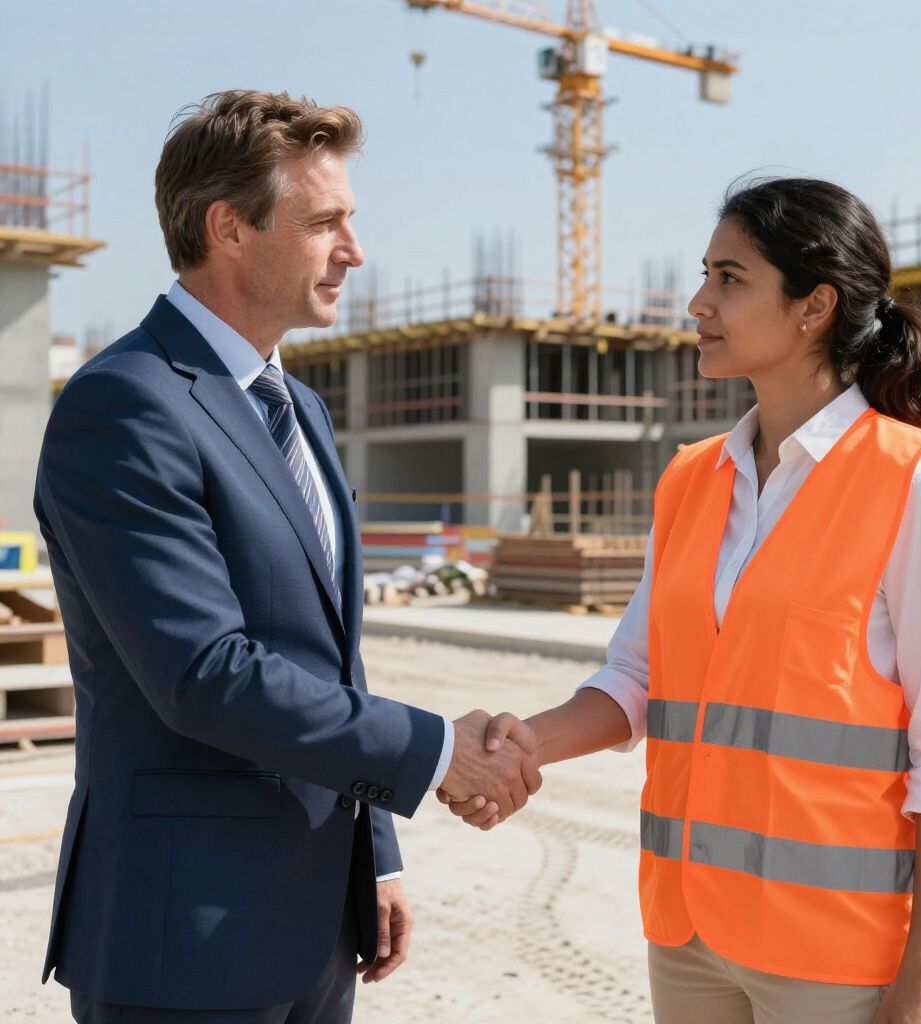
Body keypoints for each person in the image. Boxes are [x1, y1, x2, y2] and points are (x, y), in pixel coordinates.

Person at [34, 89, 541, 1024]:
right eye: (324, 224)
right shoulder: (125, 406)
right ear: (229, 228)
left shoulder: (296, 406)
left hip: (316, 925)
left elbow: (331, 657)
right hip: (186, 941)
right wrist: (436, 753)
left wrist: (375, 852)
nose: (353, 250)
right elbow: (203, 672)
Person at [443, 177, 921, 1023]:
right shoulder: (691, 479)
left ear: (814, 306)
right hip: (688, 935)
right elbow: (638, 676)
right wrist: (524, 744)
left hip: (833, 952)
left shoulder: (912, 481)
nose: (698, 301)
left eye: (729, 279)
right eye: (705, 274)